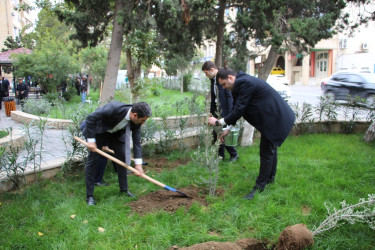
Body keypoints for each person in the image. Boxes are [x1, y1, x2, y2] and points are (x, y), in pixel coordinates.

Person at [208, 68, 295, 200]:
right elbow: (238, 109)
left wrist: (218, 122)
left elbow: (238, 111)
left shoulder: (244, 83)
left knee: (266, 152)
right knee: (271, 150)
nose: (224, 88)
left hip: (276, 118)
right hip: (272, 118)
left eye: (224, 84)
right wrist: (228, 129)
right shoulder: (240, 84)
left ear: (231, 78)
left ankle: (259, 188)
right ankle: (269, 179)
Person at [81, 101, 151, 205]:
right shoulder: (114, 108)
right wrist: (91, 141)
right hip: (99, 132)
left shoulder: (137, 121)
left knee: (122, 158)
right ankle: (89, 196)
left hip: (115, 134)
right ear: (134, 115)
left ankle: (124, 189)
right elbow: (91, 118)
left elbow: (136, 142)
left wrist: (138, 164)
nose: (143, 123)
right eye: (142, 120)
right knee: (93, 160)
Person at [202, 61, 239, 162]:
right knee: (216, 133)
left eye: (206, 73)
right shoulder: (213, 80)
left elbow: (229, 96)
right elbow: (214, 97)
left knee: (223, 132)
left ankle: (234, 154)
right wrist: (211, 112)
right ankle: (220, 156)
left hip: (225, 111)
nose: (206, 75)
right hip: (216, 110)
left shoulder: (222, 78)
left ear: (212, 70)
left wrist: (229, 114)